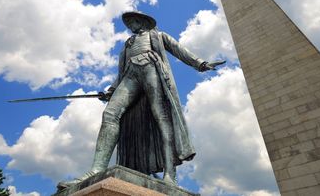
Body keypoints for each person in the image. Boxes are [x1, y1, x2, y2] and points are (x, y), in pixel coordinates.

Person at [58, 11, 225, 189]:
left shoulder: (158, 36)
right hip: (130, 76)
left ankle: (170, 174)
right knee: (110, 114)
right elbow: (121, 72)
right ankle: (96, 169)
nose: (130, 25)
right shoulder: (127, 44)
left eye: (132, 21)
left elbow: (179, 50)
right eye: (128, 22)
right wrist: (112, 90)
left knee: (161, 118)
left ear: (142, 21)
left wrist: (200, 63)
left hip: (151, 69)